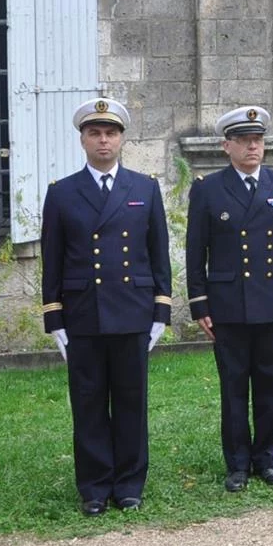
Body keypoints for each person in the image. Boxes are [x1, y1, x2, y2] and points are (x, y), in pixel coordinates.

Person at [40, 98, 173, 515]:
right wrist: (55, 318)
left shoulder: (144, 188)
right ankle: (95, 486)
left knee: (132, 401)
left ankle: (130, 483)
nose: (103, 140)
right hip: (84, 313)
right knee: (89, 401)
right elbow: (53, 260)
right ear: (82, 139)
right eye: (95, 132)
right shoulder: (62, 193)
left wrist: (161, 310)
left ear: (121, 139)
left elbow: (158, 254)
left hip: (131, 310)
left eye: (111, 132)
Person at [186, 106, 273, 492]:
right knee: (234, 387)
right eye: (244, 140)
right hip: (229, 304)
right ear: (227, 146)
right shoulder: (208, 189)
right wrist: (199, 304)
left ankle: (267, 460)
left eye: (258, 140)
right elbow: (196, 252)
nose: (253, 146)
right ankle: (237, 463)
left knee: (272, 385)